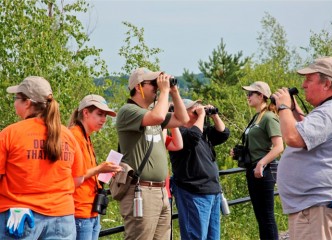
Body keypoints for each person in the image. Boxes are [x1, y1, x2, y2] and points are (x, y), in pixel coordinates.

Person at [0, 76, 85, 239]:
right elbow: (78, 179)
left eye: (16, 98)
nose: (14, 103)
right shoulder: (67, 135)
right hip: (63, 219)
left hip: (19, 218)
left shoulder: (10, 134)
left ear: (27, 103)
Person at [116, 67, 189, 240]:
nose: (157, 87)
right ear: (138, 86)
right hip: (141, 190)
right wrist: (164, 91)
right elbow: (156, 117)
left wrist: (174, 92)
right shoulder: (127, 111)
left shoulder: (154, 113)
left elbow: (183, 120)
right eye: (153, 84)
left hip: (160, 191)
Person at [273, 56, 332, 240]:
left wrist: (283, 107)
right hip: (315, 207)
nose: (303, 85)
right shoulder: (328, 111)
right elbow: (310, 135)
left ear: (327, 84)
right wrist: (292, 110)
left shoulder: (328, 112)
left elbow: (293, 137)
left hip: (316, 209)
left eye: (309, 79)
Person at [169, 98, 230, 240]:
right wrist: (201, 116)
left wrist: (214, 115)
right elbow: (193, 137)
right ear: (182, 113)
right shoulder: (179, 132)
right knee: (196, 236)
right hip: (193, 192)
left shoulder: (202, 132)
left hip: (212, 190)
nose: (198, 109)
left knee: (213, 237)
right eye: (193, 108)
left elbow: (223, 134)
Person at [232, 81, 284, 240]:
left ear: (261, 96)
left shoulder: (268, 117)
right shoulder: (257, 117)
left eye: (250, 94)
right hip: (253, 170)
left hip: (263, 171)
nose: (247, 97)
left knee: (267, 217)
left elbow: (279, 146)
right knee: (260, 217)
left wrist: (262, 163)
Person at [68, 94, 124, 240]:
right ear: (85, 113)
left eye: (105, 115)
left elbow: (85, 171)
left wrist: (105, 171)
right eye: (99, 114)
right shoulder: (74, 136)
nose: (104, 119)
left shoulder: (85, 136)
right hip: (80, 210)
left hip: (90, 209)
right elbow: (73, 176)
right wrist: (100, 169)